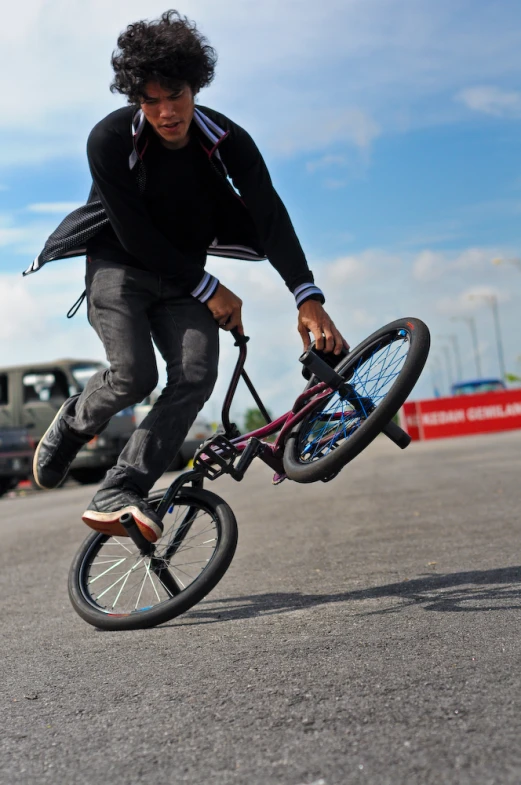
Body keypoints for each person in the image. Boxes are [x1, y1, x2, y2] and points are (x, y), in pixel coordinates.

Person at [30, 10, 348, 544]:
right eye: (149, 100)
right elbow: (134, 234)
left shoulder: (227, 140)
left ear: (195, 85)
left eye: (174, 94)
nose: (164, 111)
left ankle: (122, 487)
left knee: (197, 374)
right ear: (135, 99)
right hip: (118, 267)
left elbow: (268, 213)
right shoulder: (109, 140)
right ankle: (75, 420)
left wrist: (306, 295)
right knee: (135, 376)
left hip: (182, 280)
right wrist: (210, 288)